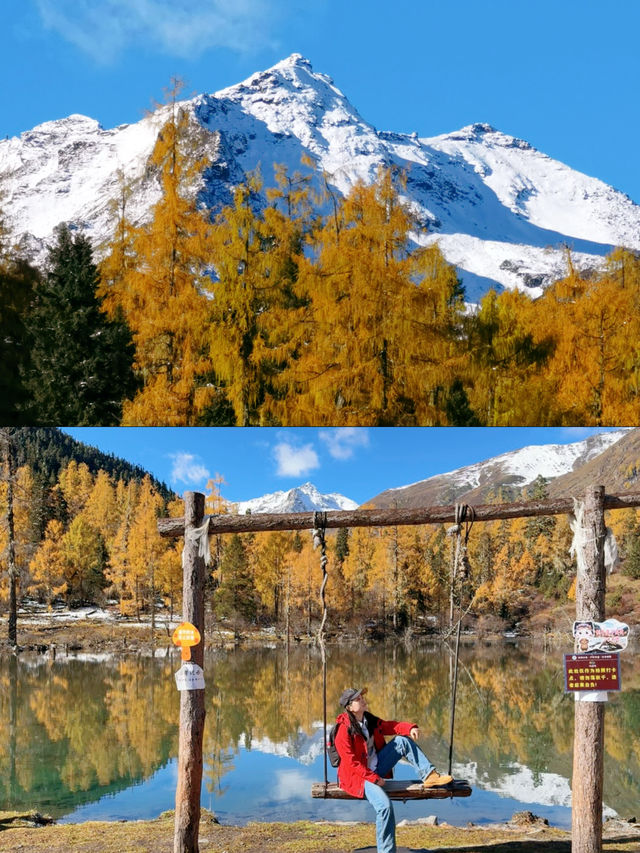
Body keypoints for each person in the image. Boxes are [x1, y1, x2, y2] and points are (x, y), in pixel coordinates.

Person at [334, 686, 453, 853]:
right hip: (358, 777)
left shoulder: (368, 720)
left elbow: (389, 726)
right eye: (358, 698)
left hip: (374, 768)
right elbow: (352, 763)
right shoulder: (343, 729)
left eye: (361, 696)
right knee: (384, 807)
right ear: (349, 707)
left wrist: (409, 728)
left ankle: (429, 775)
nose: (362, 699)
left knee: (402, 742)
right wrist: (374, 779)